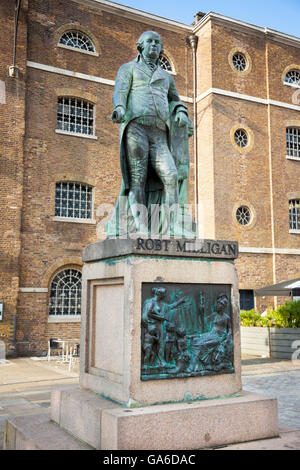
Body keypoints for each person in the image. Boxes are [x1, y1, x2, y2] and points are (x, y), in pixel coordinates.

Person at [106, 30, 194, 237]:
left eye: (158, 42)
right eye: (150, 42)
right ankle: (141, 227)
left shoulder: (166, 76)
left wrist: (181, 112)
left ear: (161, 48)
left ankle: (173, 226)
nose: (154, 45)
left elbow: (175, 99)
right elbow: (120, 91)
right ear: (141, 46)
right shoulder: (128, 68)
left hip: (160, 134)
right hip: (136, 128)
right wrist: (119, 108)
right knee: (138, 179)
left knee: (171, 176)